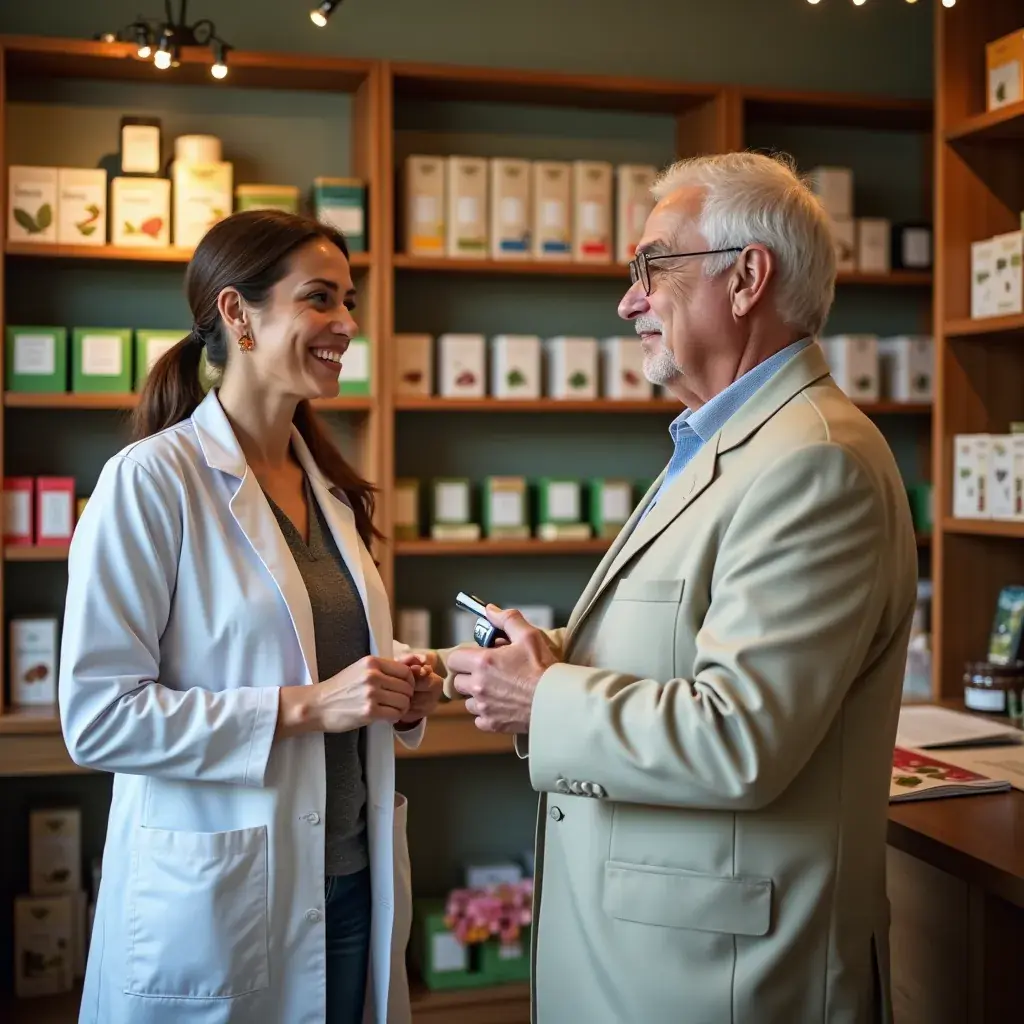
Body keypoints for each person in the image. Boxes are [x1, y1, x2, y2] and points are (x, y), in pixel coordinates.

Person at [440, 152, 917, 1023]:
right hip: (655, 959)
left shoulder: (814, 462)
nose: (629, 301)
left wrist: (544, 698)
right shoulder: (724, 445)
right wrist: (555, 664)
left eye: (653, 267)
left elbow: (741, 736)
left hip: (725, 979)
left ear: (746, 279)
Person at [59, 210, 442, 1024]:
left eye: (348, 299)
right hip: (223, 900)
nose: (346, 323)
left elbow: (312, 648)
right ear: (237, 314)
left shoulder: (332, 489)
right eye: (319, 299)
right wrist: (312, 707)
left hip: (349, 886)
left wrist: (402, 681)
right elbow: (97, 719)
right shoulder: (152, 482)